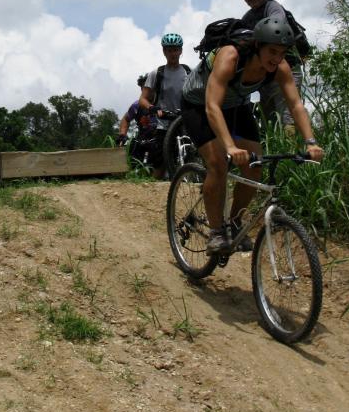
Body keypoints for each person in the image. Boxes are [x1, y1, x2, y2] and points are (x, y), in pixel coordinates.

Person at [181, 16, 323, 253]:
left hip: (236, 104)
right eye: (272, 51)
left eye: (282, 53)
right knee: (218, 165)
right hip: (199, 103)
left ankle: (235, 224)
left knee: (255, 166)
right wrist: (230, 147)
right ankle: (216, 232)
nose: (276, 59)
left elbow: (295, 105)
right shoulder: (230, 57)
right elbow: (212, 107)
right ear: (257, 45)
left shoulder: (280, 67)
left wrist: (311, 142)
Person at [239, 0, 306, 133]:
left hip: (287, 67)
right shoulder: (247, 18)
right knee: (269, 119)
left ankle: (294, 154)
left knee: (288, 115)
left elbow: (276, 24)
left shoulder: (272, 7)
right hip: (267, 73)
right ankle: (274, 153)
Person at [138, 33, 190, 179]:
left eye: (175, 50)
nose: (172, 53)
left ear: (180, 51)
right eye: (169, 50)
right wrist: (152, 108)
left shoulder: (188, 72)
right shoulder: (157, 73)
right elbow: (143, 99)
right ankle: (156, 191)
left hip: (183, 121)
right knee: (160, 161)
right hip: (163, 122)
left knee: (191, 154)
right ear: (164, 51)